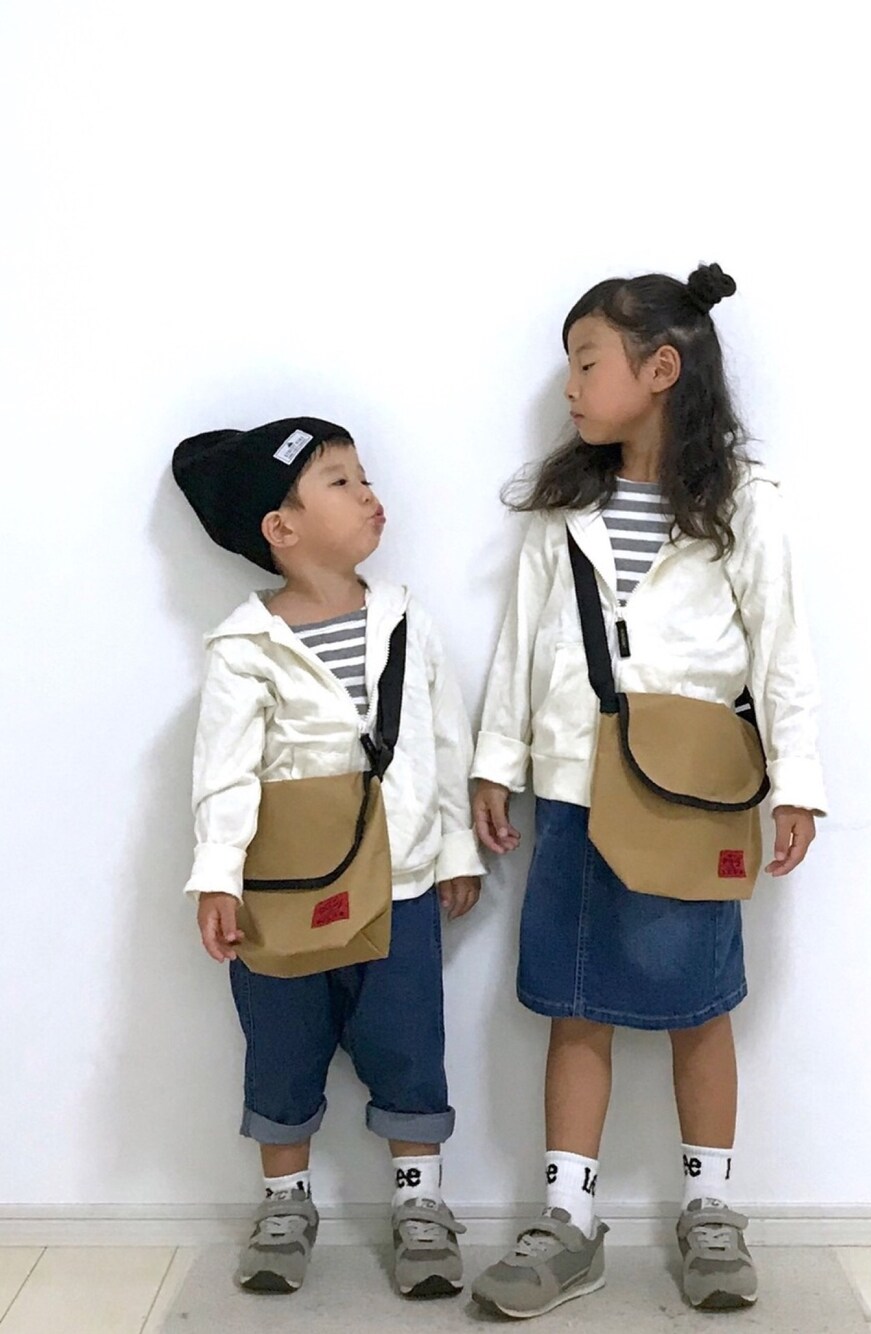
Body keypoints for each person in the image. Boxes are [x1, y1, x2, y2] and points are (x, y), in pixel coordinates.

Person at [469, 267, 826, 1316]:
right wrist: (496, 761)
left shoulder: (743, 502)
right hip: (575, 787)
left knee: (698, 1004)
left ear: (661, 368)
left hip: (696, 794)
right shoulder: (563, 510)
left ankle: (710, 1208)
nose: (570, 386)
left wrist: (795, 782)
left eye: (587, 363)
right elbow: (522, 644)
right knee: (574, 1001)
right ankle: (566, 1219)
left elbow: (782, 650)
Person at [172, 417, 483, 1298]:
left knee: (409, 1041)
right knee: (281, 1044)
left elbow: (443, 743)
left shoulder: (406, 622)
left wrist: (456, 848)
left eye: (364, 476)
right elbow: (224, 773)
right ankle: (284, 1204)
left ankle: (420, 1202)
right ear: (282, 527)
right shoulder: (245, 647)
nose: (369, 494)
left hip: (400, 882)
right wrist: (217, 876)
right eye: (340, 481)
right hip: (278, 894)